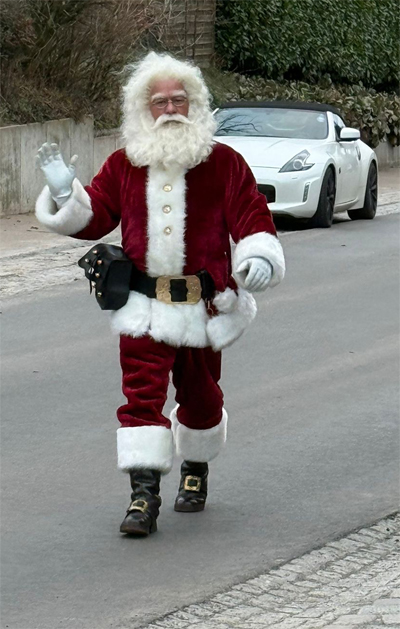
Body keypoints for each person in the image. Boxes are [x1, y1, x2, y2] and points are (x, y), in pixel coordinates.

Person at [35, 52, 285, 536]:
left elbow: (252, 216)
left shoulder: (224, 163)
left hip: (204, 307)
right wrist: (66, 194)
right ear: (143, 109)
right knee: (140, 398)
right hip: (144, 307)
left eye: (178, 100)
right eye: (159, 102)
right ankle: (143, 496)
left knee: (201, 398)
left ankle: (196, 466)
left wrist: (258, 255)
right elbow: (96, 217)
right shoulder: (124, 164)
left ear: (195, 105)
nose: (170, 109)